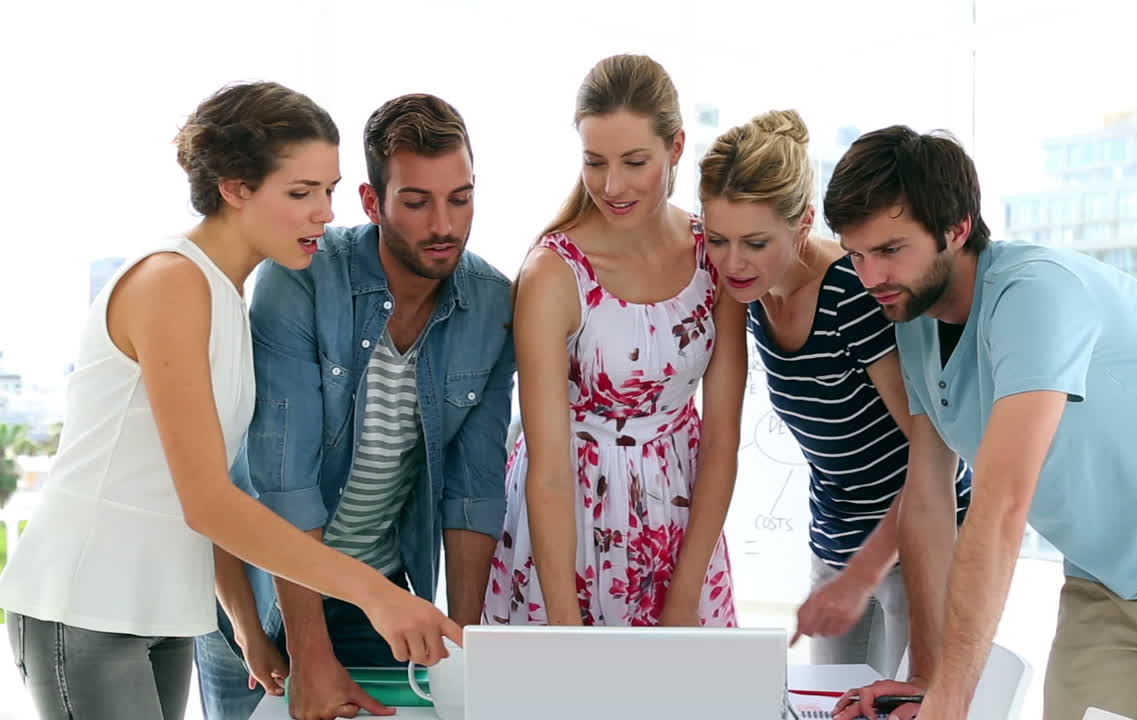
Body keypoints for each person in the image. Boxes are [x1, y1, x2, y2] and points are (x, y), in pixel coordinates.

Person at [0, 81, 463, 720]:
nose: (325, 213)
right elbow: (208, 503)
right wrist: (375, 594)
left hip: (160, 607)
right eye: (300, 193)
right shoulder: (171, 283)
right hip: (86, 602)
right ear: (236, 188)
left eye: (328, 190)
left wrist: (246, 625)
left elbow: (212, 483)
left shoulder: (228, 299)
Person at [826, 125, 1137, 720]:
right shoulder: (910, 317)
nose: (870, 277)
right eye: (857, 254)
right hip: (1106, 580)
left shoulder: (1036, 294)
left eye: (890, 250)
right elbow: (931, 500)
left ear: (957, 228)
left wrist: (950, 706)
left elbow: (1002, 505)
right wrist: (930, 680)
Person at [194, 93, 516, 720]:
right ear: (373, 204)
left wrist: (465, 651)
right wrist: (310, 655)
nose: (444, 225)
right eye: (417, 203)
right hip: (261, 588)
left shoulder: (491, 304)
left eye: (461, 198)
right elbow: (285, 483)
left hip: (378, 590)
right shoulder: (301, 277)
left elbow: (474, 491)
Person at [697, 110, 971, 676]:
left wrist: (864, 573)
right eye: (717, 239)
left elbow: (933, 448)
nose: (732, 261)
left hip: (920, 533)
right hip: (836, 540)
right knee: (829, 703)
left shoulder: (852, 291)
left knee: (916, 701)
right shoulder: (747, 296)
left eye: (754, 242)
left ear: (803, 224)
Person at [483, 53, 747, 628]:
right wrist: (563, 623)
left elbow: (722, 441)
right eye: (594, 161)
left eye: (634, 162)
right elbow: (547, 472)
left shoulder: (715, 257)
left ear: (676, 148)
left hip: (682, 528)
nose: (612, 185)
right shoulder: (554, 273)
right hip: (564, 534)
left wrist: (686, 593)